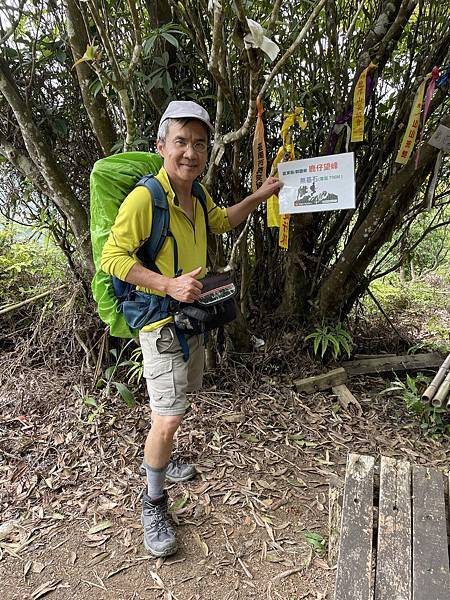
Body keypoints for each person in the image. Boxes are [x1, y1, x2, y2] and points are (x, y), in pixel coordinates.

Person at [101, 100, 282, 557]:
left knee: (176, 403)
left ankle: (164, 459)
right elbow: (112, 258)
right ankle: (153, 500)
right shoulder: (146, 198)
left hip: (193, 319)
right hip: (162, 322)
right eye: (180, 141)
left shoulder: (197, 196)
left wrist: (261, 195)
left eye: (199, 144)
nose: (190, 153)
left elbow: (221, 219)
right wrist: (168, 283)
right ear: (161, 146)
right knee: (169, 415)